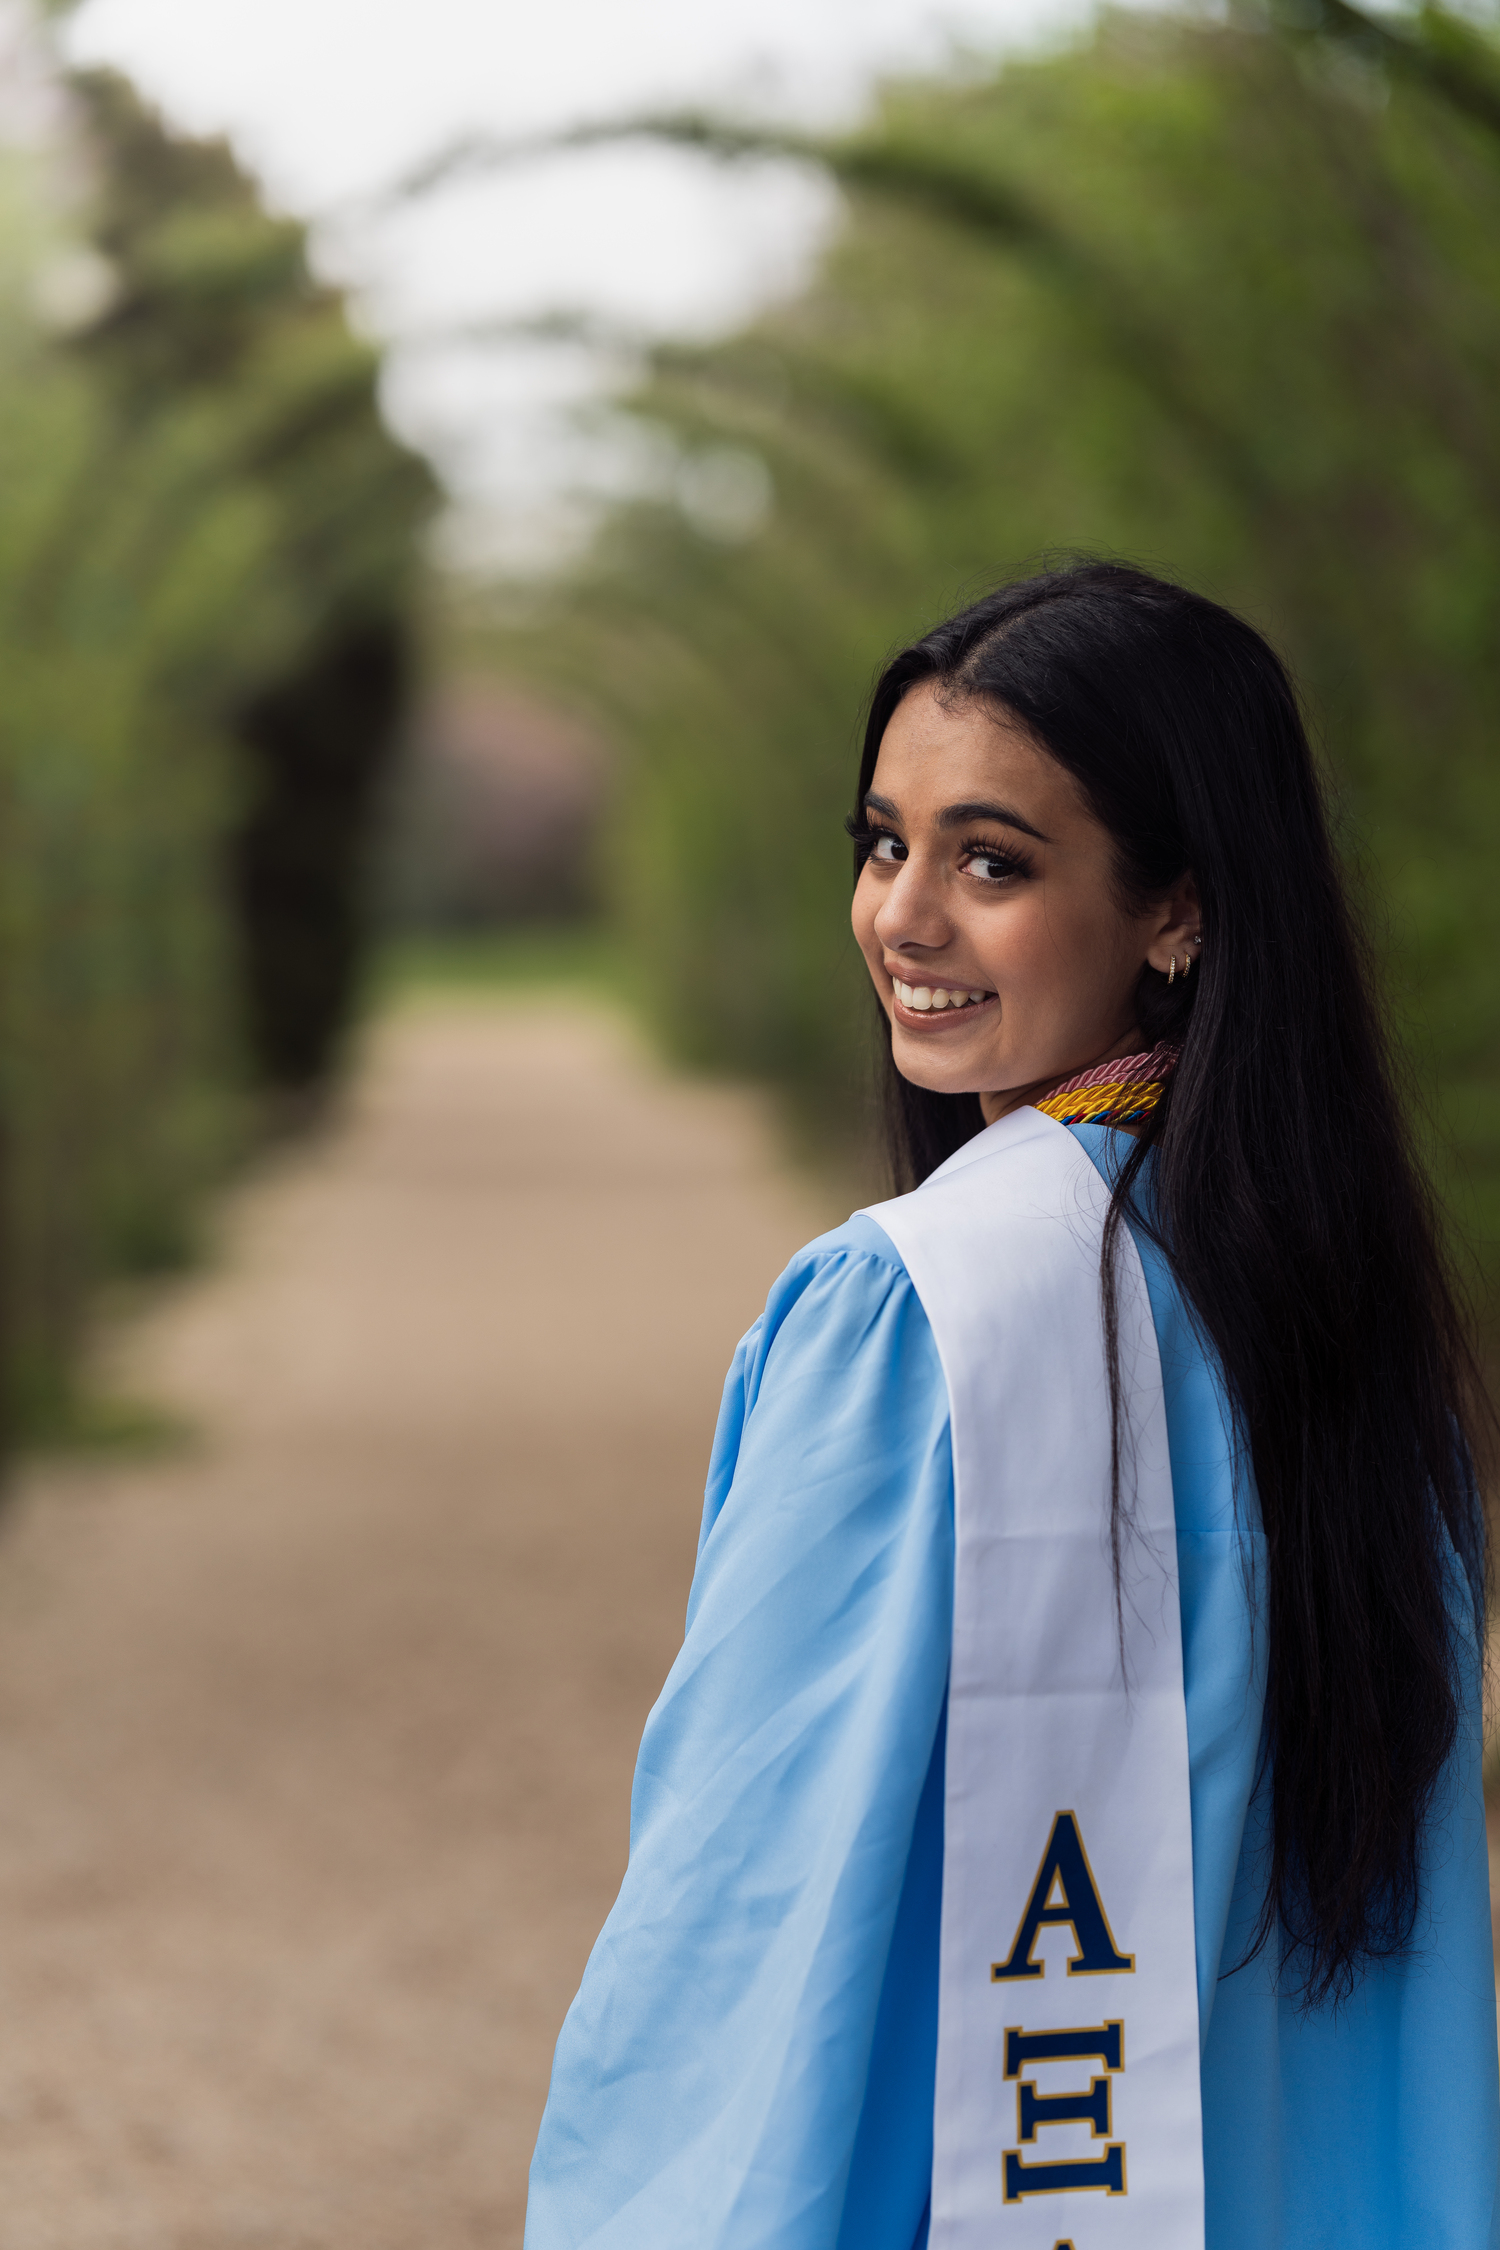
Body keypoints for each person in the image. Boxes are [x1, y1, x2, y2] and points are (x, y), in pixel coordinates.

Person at [523, 561, 1499, 2249]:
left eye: (992, 860)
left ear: (1175, 908)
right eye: (883, 842)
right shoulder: (1353, 1331)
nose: (905, 915)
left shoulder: (909, 1321)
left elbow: (749, 1909)